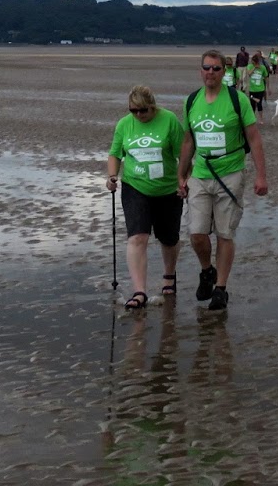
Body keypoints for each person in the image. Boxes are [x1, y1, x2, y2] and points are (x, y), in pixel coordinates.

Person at [178, 50, 269, 311]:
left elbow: (254, 138)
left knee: (224, 233)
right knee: (197, 233)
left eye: (216, 69)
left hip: (231, 173)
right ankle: (207, 270)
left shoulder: (237, 99)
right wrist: (180, 175)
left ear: (224, 71)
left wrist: (261, 176)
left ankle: (220, 288)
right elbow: (188, 141)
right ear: (200, 70)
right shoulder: (191, 101)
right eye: (206, 68)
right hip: (201, 174)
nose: (210, 72)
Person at [106, 85, 186, 309]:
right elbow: (115, 153)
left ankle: (169, 276)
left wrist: (184, 180)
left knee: (169, 238)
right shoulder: (124, 124)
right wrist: (112, 176)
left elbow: (183, 154)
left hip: (168, 189)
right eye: (133, 111)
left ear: (153, 106)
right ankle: (139, 291)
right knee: (137, 237)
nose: (138, 115)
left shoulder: (169, 120)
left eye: (143, 111)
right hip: (135, 186)